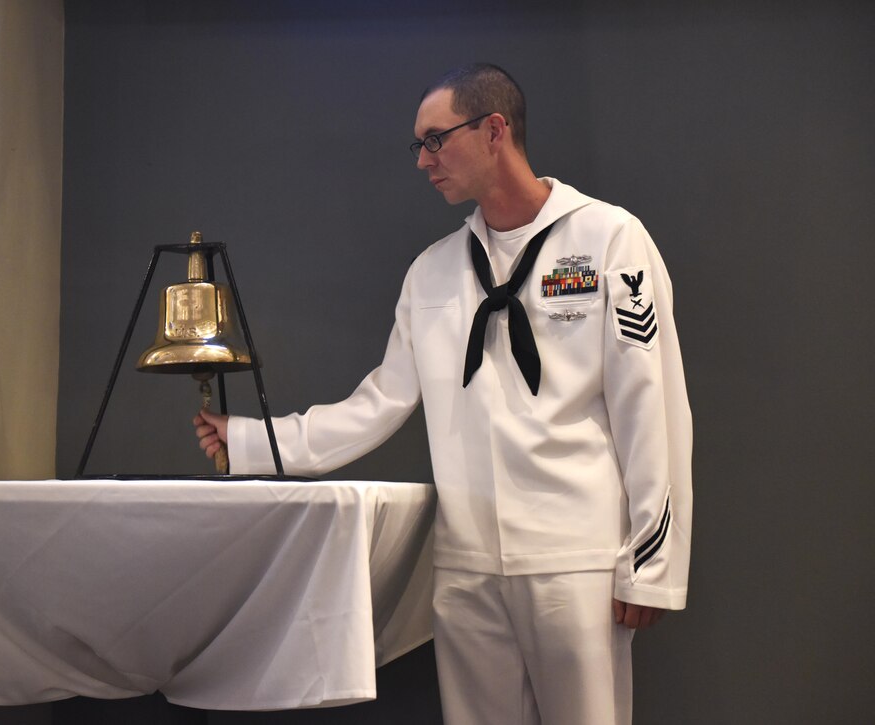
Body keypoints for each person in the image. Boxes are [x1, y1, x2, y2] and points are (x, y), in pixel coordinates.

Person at [194, 62, 691, 725]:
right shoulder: (433, 272)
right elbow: (377, 403)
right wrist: (254, 440)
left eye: (436, 139)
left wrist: (651, 564)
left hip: (576, 560)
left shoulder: (608, 240)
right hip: (467, 568)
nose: (424, 161)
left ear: (494, 131)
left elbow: (650, 405)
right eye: (418, 145)